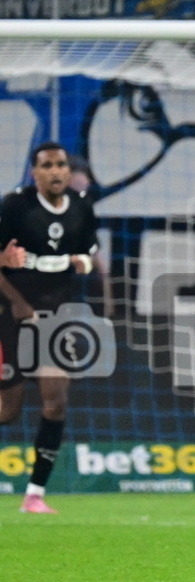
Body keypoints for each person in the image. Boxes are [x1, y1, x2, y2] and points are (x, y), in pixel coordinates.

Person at [0, 142, 99, 514]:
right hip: (10, 311)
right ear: (34, 172)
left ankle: (34, 494)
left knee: (56, 402)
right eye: (47, 166)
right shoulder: (15, 207)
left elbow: (89, 254)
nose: (56, 171)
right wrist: (17, 302)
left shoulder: (81, 207)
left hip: (55, 315)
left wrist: (82, 263)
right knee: (8, 410)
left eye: (61, 165)